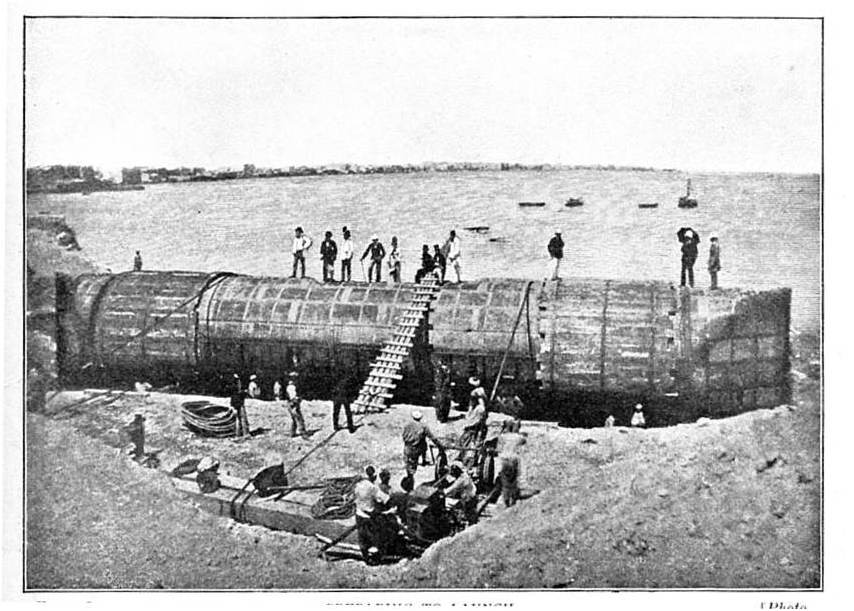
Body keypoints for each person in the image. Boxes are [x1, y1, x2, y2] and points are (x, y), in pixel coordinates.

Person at [354, 465, 390, 564]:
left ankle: (365, 556)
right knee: (376, 535)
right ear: (373, 476)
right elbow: (384, 498)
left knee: (362, 537)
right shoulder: (372, 487)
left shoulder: (358, 485)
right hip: (369, 516)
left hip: (359, 513)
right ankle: (378, 556)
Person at [402, 409, 443, 476]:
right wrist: (439, 445)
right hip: (415, 449)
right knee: (413, 466)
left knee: (408, 464)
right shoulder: (423, 426)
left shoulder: (407, 425)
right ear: (420, 417)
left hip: (407, 447)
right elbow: (432, 437)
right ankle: (411, 476)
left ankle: (410, 474)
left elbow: (404, 435)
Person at [458, 377, 488, 463]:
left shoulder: (475, 392)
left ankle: (465, 456)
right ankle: (474, 457)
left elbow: (471, 406)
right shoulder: (482, 391)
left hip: (478, 412)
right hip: (482, 413)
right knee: (478, 436)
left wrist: (469, 416)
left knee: (468, 433)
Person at [285, 372, 308, 437]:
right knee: (299, 419)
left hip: (291, 404)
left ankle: (292, 432)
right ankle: (303, 433)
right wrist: (298, 399)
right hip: (293, 405)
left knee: (294, 419)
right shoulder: (291, 387)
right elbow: (293, 398)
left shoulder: (290, 386)